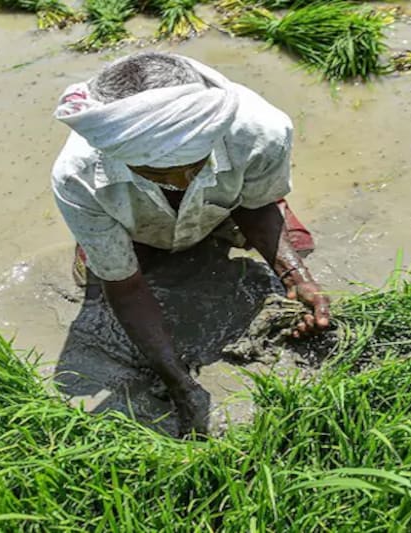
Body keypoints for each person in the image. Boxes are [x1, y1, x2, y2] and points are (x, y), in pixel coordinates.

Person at [51, 52, 330, 436]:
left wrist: (296, 276)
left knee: (298, 245)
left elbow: (257, 205)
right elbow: (126, 287)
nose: (183, 182)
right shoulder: (77, 177)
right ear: (120, 153)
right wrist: (176, 379)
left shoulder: (260, 130)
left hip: (226, 208)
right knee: (97, 285)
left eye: (194, 165)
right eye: (158, 171)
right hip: (137, 228)